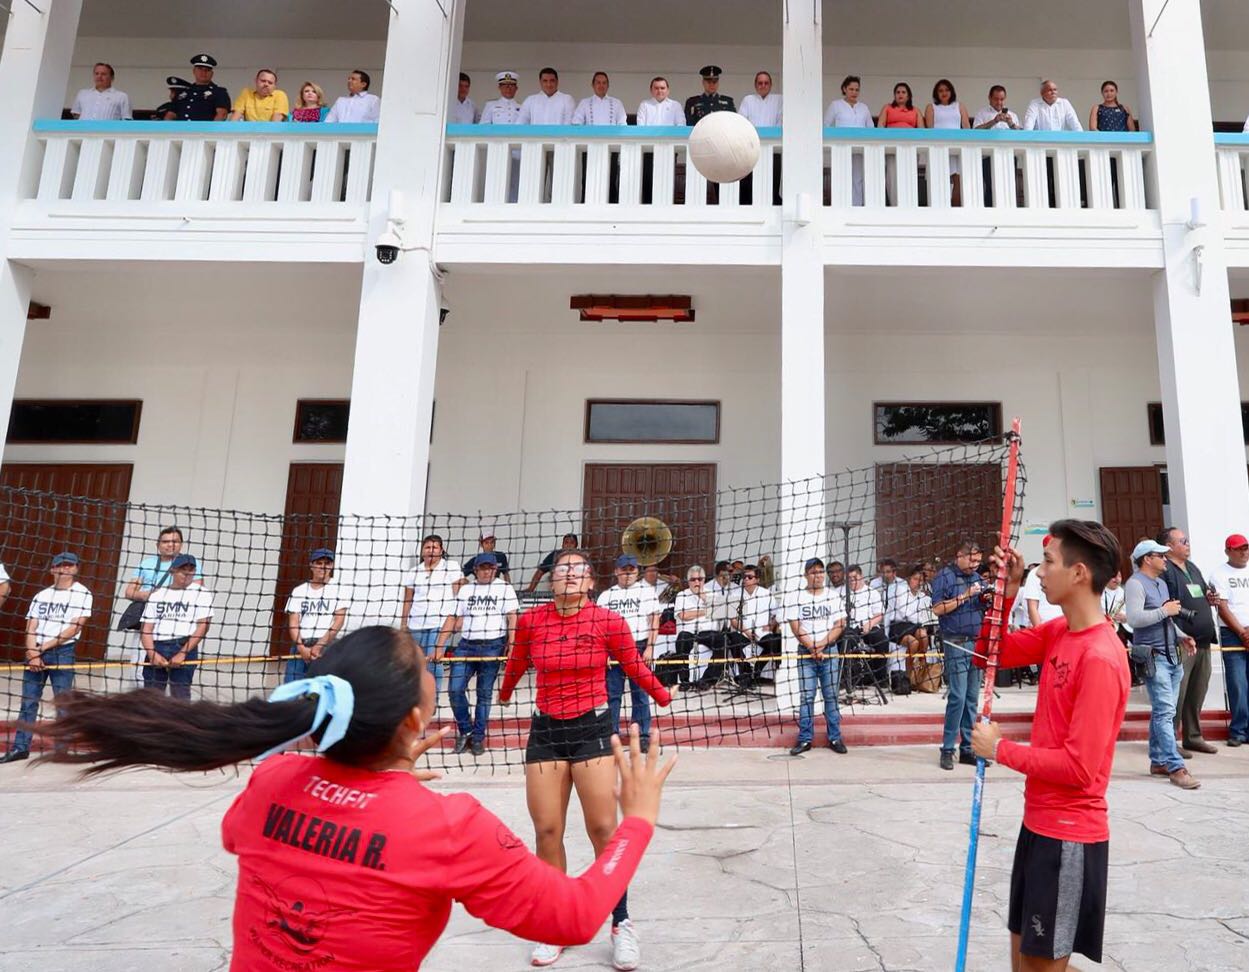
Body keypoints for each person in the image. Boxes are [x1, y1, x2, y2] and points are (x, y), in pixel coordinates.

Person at [31, 626, 676, 970]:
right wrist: (638, 819)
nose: (432, 668)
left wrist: (383, 778)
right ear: (414, 722)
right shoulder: (448, 825)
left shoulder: (271, 781)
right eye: (426, 666)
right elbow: (571, 917)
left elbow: (245, 834)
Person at [500, 547, 672, 970]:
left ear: (591, 582)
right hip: (546, 733)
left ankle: (620, 923)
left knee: (603, 831)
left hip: (593, 731)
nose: (570, 575)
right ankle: (556, 924)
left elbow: (633, 664)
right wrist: (503, 694)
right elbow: (518, 661)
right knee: (547, 830)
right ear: (551, 580)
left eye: (579, 570)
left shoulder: (607, 621)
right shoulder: (531, 621)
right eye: (563, 569)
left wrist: (661, 694)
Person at [970, 520, 1131, 972]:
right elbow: (990, 652)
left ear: (1079, 573)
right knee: (1024, 967)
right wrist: (1006, 593)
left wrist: (1000, 749)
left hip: (1069, 836)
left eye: (1048, 561)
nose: (1039, 572)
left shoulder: (1100, 657)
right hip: (1037, 826)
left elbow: (1080, 769)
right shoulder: (1060, 631)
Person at [0, 552, 92, 765]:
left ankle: (62, 750)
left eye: (69, 565)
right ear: (52, 569)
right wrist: (32, 652)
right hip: (36, 653)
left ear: (76, 569)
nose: (64, 569)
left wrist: (41, 649)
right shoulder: (41, 595)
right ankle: (20, 748)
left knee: (63, 703)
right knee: (28, 702)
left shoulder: (82, 594)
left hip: (62, 652)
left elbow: (75, 627)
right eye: (60, 565)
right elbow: (31, 626)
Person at [1123, 539, 1200, 790]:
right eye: (1161, 555)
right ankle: (1175, 767)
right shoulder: (1135, 583)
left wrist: (1181, 636)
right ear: (1147, 558)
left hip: (1171, 655)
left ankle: (1158, 761)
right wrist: (1165, 611)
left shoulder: (1161, 583)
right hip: (1154, 657)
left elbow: (1166, 620)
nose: (1165, 559)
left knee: (1163, 712)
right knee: (1165, 712)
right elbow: (1134, 619)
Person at [433, 553, 517, 756]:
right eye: (483, 568)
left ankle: (478, 737)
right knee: (455, 690)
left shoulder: (505, 588)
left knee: (484, 693)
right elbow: (453, 617)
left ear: (495, 569)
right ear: (476, 570)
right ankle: (466, 730)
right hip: (466, 645)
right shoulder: (466, 590)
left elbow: (512, 617)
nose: (487, 571)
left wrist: (512, 644)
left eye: (490, 568)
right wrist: (439, 646)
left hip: (493, 646)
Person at [1157, 526, 1218, 755]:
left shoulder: (1192, 567)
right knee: (1177, 694)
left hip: (1203, 641)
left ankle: (1193, 736)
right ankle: (1170, 740)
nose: (1187, 544)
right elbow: (1165, 605)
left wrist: (1210, 597)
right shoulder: (1165, 570)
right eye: (1182, 541)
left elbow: (1200, 591)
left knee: (1197, 691)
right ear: (1169, 546)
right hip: (1182, 642)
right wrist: (1179, 635)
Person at [931, 540, 988, 770]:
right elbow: (937, 609)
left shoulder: (978, 578)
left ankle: (967, 748)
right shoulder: (944, 576)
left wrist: (987, 599)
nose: (975, 565)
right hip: (955, 643)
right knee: (957, 697)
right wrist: (965, 595)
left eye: (978, 561)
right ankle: (947, 749)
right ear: (960, 556)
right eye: (972, 560)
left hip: (977, 643)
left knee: (972, 698)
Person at [121, 526, 201, 686]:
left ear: (181, 544)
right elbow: (129, 592)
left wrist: (169, 596)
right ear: (158, 544)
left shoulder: (190, 564)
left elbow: (197, 591)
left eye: (175, 541)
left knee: (179, 681)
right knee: (139, 671)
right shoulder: (147, 563)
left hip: (178, 625)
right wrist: (151, 596)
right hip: (149, 622)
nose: (170, 545)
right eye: (166, 541)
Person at [597, 555, 661, 751]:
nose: (627, 574)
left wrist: (650, 646)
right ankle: (611, 734)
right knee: (612, 694)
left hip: (638, 646)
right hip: (613, 648)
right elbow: (599, 627)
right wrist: (603, 652)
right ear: (616, 571)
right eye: (624, 570)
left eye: (631, 570)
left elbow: (654, 620)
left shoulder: (647, 592)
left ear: (637, 571)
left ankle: (642, 735)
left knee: (640, 693)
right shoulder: (606, 596)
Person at [786, 558, 848, 756]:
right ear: (806, 575)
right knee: (807, 697)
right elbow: (795, 626)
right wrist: (811, 646)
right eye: (814, 572)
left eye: (821, 572)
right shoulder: (797, 597)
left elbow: (840, 624)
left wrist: (821, 644)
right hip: (806, 653)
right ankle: (805, 738)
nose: (818, 576)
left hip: (829, 651)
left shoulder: (833, 596)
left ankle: (835, 737)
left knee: (831, 696)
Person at [140, 554, 213, 699]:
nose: (187, 573)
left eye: (191, 570)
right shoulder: (157, 595)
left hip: (184, 645)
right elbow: (146, 628)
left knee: (180, 696)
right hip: (157, 645)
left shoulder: (201, 593)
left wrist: (182, 653)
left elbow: (203, 626)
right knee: (151, 697)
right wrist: (152, 653)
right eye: (182, 569)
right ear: (172, 570)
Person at [283, 548, 348, 683]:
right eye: (319, 563)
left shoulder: (339, 590)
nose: (323, 567)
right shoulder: (299, 591)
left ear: (332, 566)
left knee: (320, 690)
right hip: (300, 646)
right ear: (311, 565)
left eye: (327, 563)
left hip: (326, 648)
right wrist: (301, 648)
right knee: (291, 688)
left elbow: (339, 621)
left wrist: (319, 646)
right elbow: (293, 622)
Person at [1210, 533, 1249, 747]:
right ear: (1228, 551)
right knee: (1237, 682)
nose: (1244, 552)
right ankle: (1239, 730)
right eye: (1239, 549)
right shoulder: (1219, 574)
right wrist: (1243, 633)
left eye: (1246, 548)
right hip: (1233, 633)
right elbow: (1223, 608)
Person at [824, 75, 874, 205]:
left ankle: (856, 206)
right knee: (841, 176)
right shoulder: (836, 105)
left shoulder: (864, 107)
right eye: (851, 89)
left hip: (859, 149)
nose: (854, 92)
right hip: (841, 148)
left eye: (857, 90)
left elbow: (871, 128)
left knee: (858, 178)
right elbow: (826, 125)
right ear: (844, 89)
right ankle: (840, 205)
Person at [737, 70, 782, 206]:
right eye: (760, 83)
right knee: (748, 185)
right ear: (755, 85)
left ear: (771, 85)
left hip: (773, 149)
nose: (763, 85)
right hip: (750, 148)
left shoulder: (779, 99)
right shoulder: (748, 100)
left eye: (766, 83)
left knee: (772, 183)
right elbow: (741, 122)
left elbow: (781, 121)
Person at [891, 565, 939, 693]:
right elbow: (905, 614)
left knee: (923, 635)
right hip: (899, 626)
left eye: (921, 580)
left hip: (915, 626)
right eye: (915, 579)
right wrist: (918, 619)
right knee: (913, 643)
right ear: (909, 579)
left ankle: (922, 664)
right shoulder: (901, 592)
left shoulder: (923, 596)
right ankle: (908, 674)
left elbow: (925, 615)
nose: (918, 583)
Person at [972, 84, 1021, 206]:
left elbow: (1020, 135)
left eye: (1002, 99)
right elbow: (976, 131)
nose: (999, 102)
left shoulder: (1013, 115)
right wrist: (994, 121)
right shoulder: (982, 113)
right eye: (996, 99)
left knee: (1009, 186)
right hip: (988, 157)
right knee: (991, 187)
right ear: (989, 98)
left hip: (1008, 156)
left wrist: (1011, 124)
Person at [923, 78, 969, 205]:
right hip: (939, 147)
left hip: (957, 147)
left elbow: (966, 127)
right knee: (939, 178)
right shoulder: (931, 107)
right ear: (936, 93)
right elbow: (930, 129)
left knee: (958, 179)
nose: (944, 93)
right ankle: (941, 207)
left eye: (947, 90)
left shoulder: (959, 106)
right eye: (940, 90)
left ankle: (955, 208)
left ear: (951, 91)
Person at [732, 564, 780, 683]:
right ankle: (746, 673)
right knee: (733, 641)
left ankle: (757, 670)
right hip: (743, 632)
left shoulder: (766, 594)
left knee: (776, 642)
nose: (746, 579)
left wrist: (771, 626)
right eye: (744, 577)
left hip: (762, 633)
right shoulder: (735, 594)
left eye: (749, 577)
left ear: (757, 579)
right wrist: (747, 632)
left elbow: (777, 614)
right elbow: (733, 620)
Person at [844, 565, 889, 689]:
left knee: (882, 641)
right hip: (850, 627)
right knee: (845, 642)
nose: (852, 581)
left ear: (861, 576)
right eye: (849, 578)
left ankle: (880, 677)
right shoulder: (843, 593)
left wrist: (869, 624)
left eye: (854, 578)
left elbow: (879, 614)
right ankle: (849, 679)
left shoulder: (872, 592)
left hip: (869, 625)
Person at [173, 53, 230, 121]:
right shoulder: (183, 92)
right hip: (181, 127)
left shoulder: (219, 92)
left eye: (207, 70)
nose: (204, 72)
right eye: (200, 69)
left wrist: (211, 128)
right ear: (194, 71)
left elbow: (222, 115)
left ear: (212, 73)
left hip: (206, 128)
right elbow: (171, 114)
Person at [1024, 536, 1064, 629]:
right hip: (1045, 627)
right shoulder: (1035, 573)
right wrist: (1040, 630)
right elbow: (1032, 607)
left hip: (1065, 628)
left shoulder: (1066, 571)